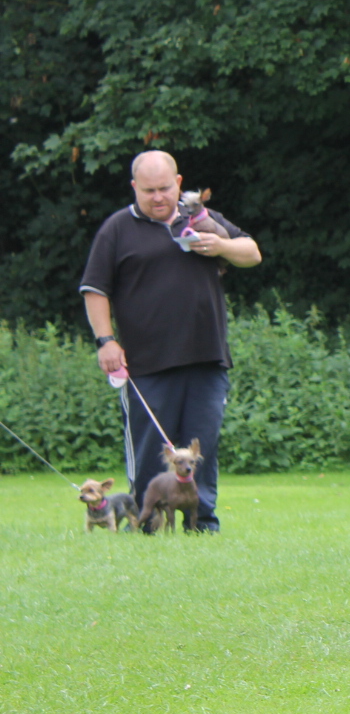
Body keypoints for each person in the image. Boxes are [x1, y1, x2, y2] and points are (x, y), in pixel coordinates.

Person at [81, 150, 263, 533]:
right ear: (134, 187)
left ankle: (202, 526)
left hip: (207, 358)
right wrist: (106, 341)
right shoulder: (117, 228)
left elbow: (252, 253)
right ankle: (145, 525)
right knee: (150, 451)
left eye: (165, 188)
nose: (158, 197)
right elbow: (95, 289)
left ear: (179, 183)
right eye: (149, 191)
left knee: (201, 449)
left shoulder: (201, 219)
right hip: (145, 364)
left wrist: (221, 246)